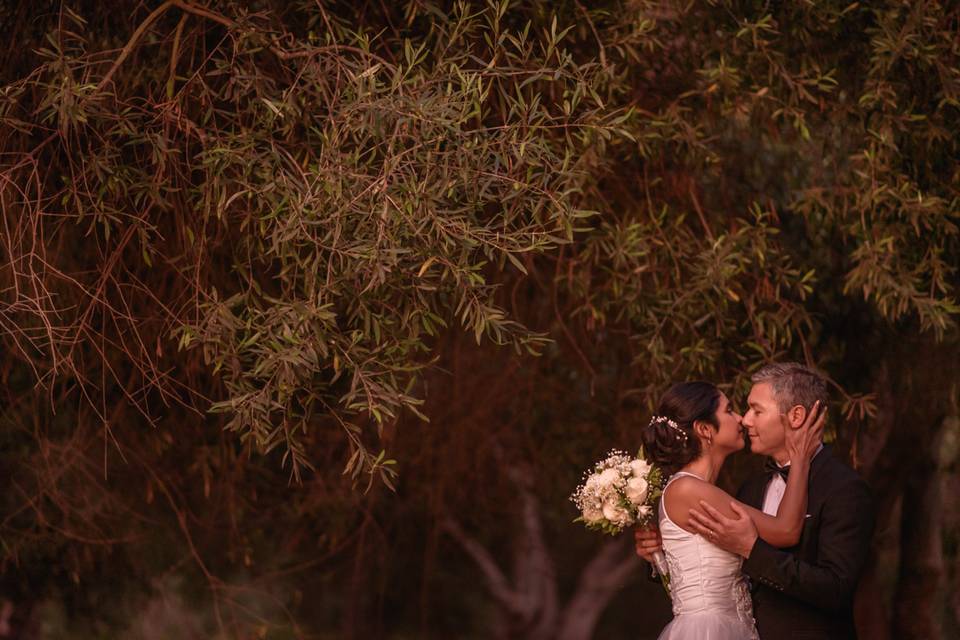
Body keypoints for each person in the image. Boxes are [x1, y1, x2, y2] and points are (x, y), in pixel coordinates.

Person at [636, 363, 876, 639]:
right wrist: (659, 556)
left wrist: (751, 549)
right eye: (734, 410)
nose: (745, 420)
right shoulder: (747, 489)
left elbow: (835, 588)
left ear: (796, 416)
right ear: (704, 430)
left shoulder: (844, 489)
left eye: (756, 410)